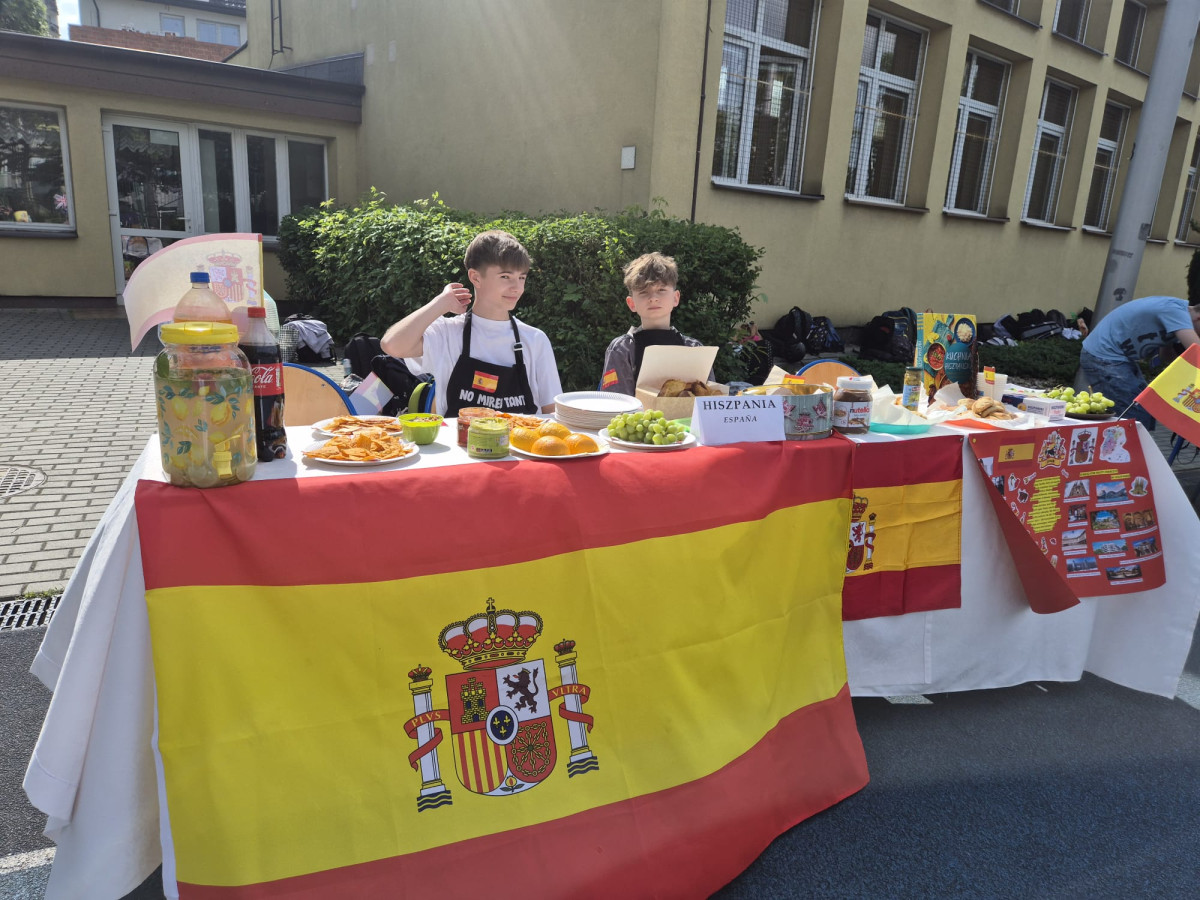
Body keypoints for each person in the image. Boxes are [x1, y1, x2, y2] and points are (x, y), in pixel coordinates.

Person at [381, 230, 562, 416]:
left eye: (521, 277)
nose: (517, 288)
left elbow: (552, 412)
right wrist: (440, 304)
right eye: (505, 277)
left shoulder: (535, 339)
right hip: (459, 436)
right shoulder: (447, 333)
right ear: (475, 277)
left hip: (519, 436)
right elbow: (392, 345)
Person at [1079, 295, 1200, 429]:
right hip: (1103, 356)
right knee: (1136, 414)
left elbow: (1166, 356)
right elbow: (1198, 352)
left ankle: (1132, 440)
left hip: (1117, 359)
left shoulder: (1177, 319)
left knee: (1147, 406)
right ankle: (1125, 441)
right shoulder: (1175, 311)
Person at [599, 252, 705, 395]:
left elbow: (708, 401)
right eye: (643, 292)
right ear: (631, 303)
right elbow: (616, 402)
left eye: (661, 290)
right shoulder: (623, 350)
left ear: (676, 298)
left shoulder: (695, 350)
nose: (653, 298)